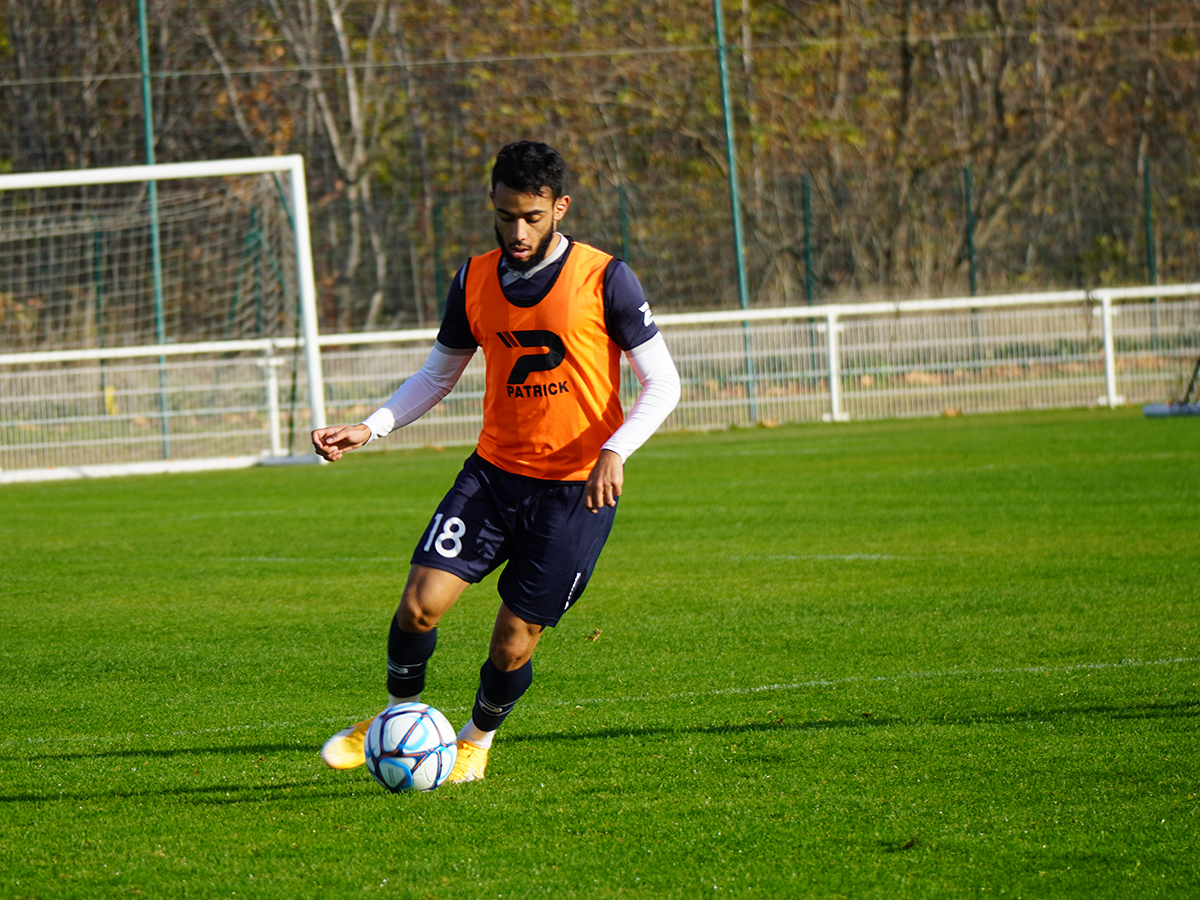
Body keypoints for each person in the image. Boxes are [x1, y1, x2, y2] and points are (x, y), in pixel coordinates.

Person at [311, 140, 681, 784]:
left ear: (559, 208)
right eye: (506, 215)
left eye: (532, 217)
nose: (517, 230)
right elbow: (437, 376)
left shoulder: (606, 277)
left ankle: (474, 742)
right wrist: (369, 428)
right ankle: (398, 719)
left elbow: (664, 383)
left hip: (573, 492)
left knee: (514, 640)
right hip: (492, 476)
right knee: (418, 605)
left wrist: (615, 450)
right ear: (492, 204)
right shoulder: (472, 278)